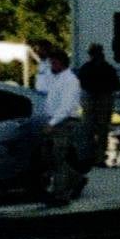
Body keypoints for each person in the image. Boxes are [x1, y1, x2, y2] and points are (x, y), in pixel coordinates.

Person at [35, 44, 88, 172]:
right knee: (49, 157)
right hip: (54, 120)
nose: (51, 67)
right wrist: (42, 66)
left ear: (61, 63)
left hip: (65, 122)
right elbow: (40, 87)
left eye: (53, 63)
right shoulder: (55, 79)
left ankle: (67, 179)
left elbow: (66, 106)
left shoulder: (70, 81)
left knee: (59, 155)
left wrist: (52, 123)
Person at [76, 44, 120, 164]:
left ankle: (90, 157)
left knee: (91, 130)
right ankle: (98, 157)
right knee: (99, 130)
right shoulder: (107, 68)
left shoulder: (88, 68)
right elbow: (116, 85)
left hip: (96, 100)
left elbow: (81, 83)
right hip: (100, 100)